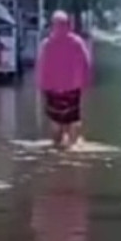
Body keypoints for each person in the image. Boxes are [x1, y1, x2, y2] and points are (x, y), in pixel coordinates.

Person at [36, 11, 93, 148]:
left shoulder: (47, 44)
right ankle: (72, 146)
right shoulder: (77, 42)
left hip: (53, 89)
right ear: (69, 24)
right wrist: (85, 82)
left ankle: (57, 144)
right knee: (72, 118)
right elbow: (86, 63)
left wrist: (41, 85)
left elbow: (41, 66)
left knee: (56, 120)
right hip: (73, 88)